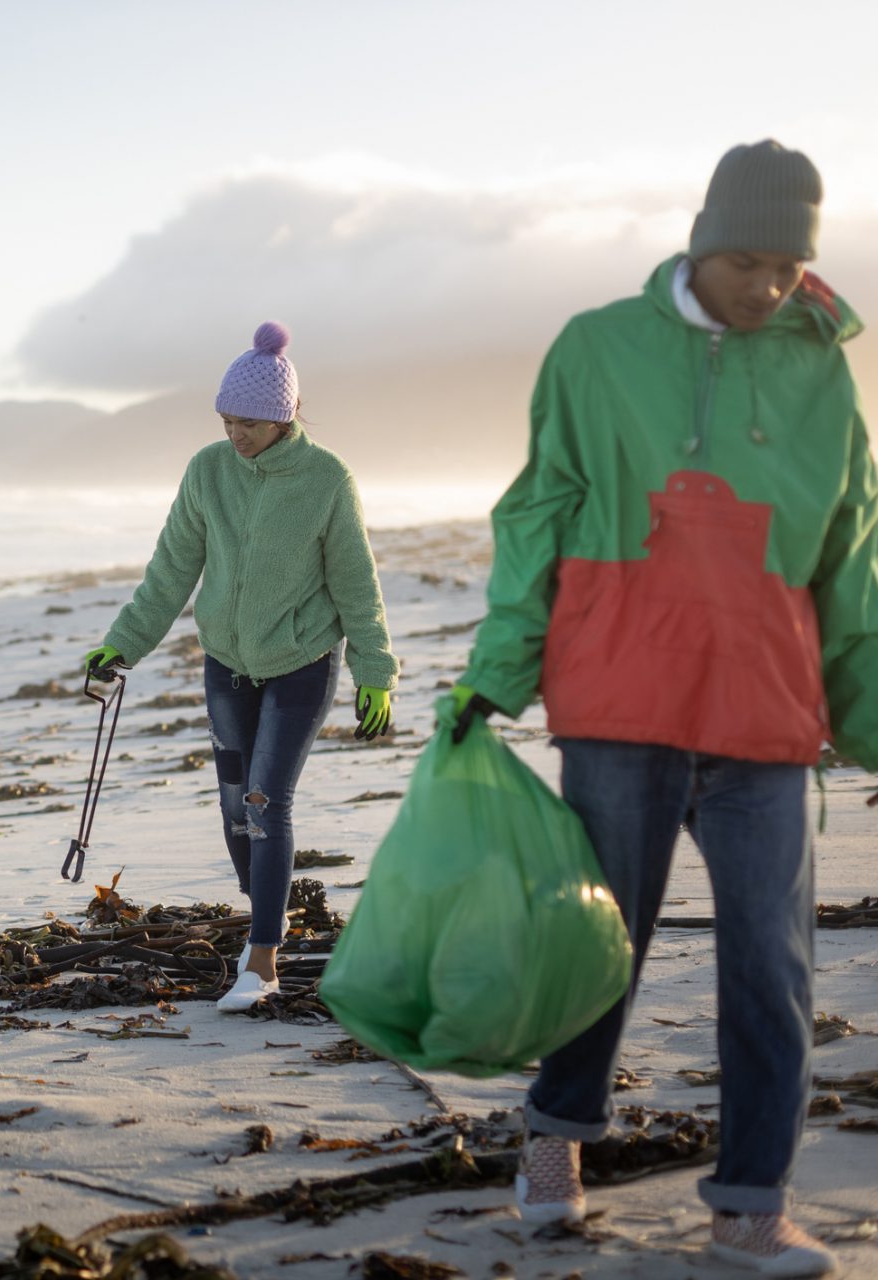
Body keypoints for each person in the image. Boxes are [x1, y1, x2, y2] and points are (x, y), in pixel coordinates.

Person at [453, 140, 876, 1277]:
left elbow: (849, 552)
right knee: (601, 949)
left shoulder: (821, 373)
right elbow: (538, 508)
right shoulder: (597, 348)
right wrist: (501, 665)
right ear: (700, 240)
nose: (769, 286)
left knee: (773, 967)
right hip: (621, 699)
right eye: (748, 259)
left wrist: (870, 714)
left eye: (790, 266)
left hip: (766, 712)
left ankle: (749, 1207)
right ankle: (554, 1147)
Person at [85, 323, 397, 1012]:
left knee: (263, 802)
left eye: (248, 423)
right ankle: (270, 912)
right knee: (233, 809)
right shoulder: (207, 472)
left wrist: (376, 672)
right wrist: (122, 645)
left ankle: (262, 960)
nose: (236, 435)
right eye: (227, 421)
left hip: (301, 662)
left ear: (283, 416)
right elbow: (170, 572)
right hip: (227, 662)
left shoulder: (326, 481)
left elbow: (355, 584)